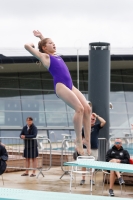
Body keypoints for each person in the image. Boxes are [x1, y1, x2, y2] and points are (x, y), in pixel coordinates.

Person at [24, 30, 91, 155]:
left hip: (70, 85)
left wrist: (41, 37)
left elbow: (45, 44)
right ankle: (78, 140)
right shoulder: (45, 57)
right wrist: (32, 43)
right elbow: (27, 46)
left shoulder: (56, 55)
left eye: (54, 43)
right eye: (51, 43)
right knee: (79, 109)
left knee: (87, 108)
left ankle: (87, 139)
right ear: (44, 48)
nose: (54, 44)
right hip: (61, 85)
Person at [80, 112, 106, 185]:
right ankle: (83, 179)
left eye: (94, 119)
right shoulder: (84, 127)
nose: (92, 120)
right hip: (85, 149)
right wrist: (81, 143)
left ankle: (91, 179)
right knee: (83, 164)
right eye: (91, 119)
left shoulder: (97, 127)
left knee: (92, 164)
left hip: (94, 149)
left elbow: (104, 122)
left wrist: (97, 116)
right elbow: (81, 138)